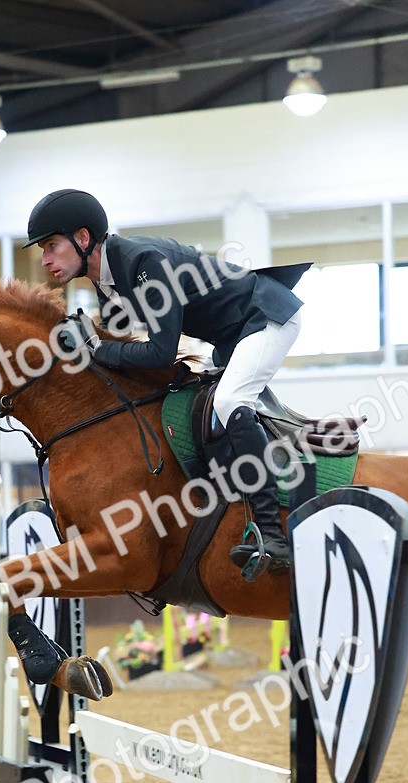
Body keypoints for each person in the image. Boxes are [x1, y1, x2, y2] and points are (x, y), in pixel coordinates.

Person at [24, 188, 311, 576]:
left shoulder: (143, 263)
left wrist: (93, 347)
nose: (45, 260)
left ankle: (273, 534)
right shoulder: (106, 281)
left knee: (229, 403)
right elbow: (121, 350)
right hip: (231, 337)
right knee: (205, 406)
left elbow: (158, 353)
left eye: (52, 245)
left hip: (266, 317)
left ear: (83, 237)